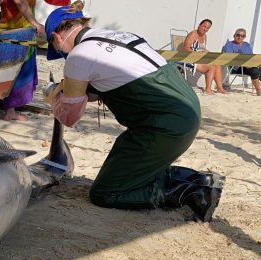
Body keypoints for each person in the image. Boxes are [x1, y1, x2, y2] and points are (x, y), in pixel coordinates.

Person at [43, 3, 223, 221]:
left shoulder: (79, 55)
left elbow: (69, 116)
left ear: (56, 36)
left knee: (105, 193)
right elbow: (117, 82)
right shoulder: (119, 36)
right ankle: (201, 180)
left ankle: (191, 193)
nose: (61, 52)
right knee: (131, 168)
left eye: (56, 46)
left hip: (162, 126)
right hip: (185, 111)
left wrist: (53, 96)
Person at [0, 0, 49, 121]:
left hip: (23, 32)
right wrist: (35, 23)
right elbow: (20, 2)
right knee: (16, 71)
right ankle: (10, 111)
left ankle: (11, 109)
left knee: (18, 70)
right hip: (15, 33)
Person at [183, 19, 228, 95]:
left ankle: (220, 88)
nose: (205, 29)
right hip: (191, 59)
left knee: (217, 64)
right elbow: (186, 48)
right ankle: (208, 90)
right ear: (199, 25)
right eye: (204, 26)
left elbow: (203, 48)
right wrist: (198, 54)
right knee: (212, 67)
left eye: (207, 28)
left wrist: (208, 52)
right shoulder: (193, 34)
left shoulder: (204, 36)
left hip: (201, 58)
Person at [221, 28, 261, 96]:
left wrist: (252, 63)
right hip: (236, 68)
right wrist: (245, 64)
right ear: (234, 35)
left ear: (244, 37)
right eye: (238, 35)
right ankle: (258, 91)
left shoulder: (247, 45)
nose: (240, 37)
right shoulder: (229, 45)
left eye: (242, 36)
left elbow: (251, 57)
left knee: (257, 68)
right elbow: (230, 59)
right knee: (255, 70)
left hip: (248, 66)